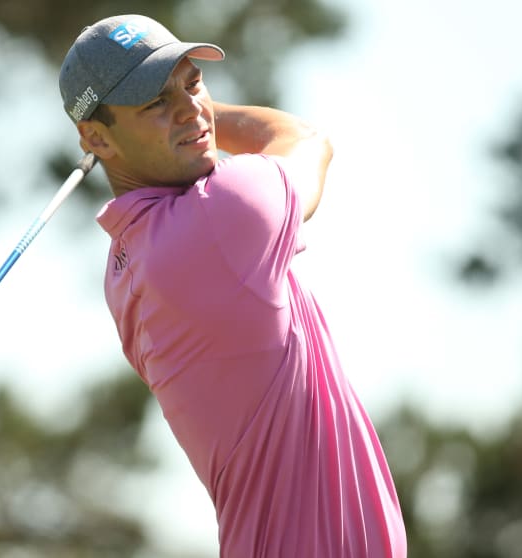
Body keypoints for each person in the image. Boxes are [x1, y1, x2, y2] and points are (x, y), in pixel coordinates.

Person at [58, 14, 407, 557]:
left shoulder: (125, 266)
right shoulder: (220, 219)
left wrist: (176, 119)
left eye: (192, 81)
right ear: (96, 136)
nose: (189, 105)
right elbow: (303, 139)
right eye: (153, 101)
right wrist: (205, 118)